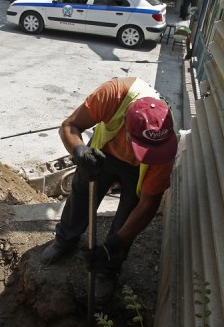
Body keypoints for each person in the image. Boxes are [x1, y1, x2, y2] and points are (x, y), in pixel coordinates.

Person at [40, 77, 178, 305]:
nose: (140, 155)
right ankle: (65, 240)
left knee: (127, 214)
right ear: (126, 127)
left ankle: (108, 269)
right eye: (140, 149)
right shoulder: (113, 95)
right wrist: (80, 152)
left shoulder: (163, 149)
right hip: (103, 153)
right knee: (81, 194)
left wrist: (113, 245)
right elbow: (69, 125)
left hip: (138, 172)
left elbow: (148, 204)